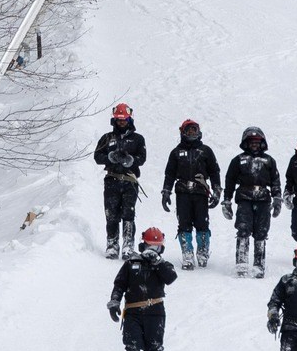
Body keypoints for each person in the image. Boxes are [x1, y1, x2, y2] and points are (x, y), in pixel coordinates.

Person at [108, 227, 176, 351]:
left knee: (155, 345)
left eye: (157, 248)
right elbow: (119, 284)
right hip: (133, 312)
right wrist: (114, 302)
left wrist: (157, 263)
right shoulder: (131, 264)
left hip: (155, 311)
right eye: (150, 247)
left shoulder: (163, 266)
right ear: (142, 246)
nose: (152, 251)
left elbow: (171, 278)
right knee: (132, 343)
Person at [159, 119, 222, 269]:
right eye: (189, 130)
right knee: (184, 224)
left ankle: (202, 253)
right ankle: (187, 255)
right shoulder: (175, 152)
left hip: (201, 193)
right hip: (182, 193)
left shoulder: (206, 151)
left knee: (202, 223)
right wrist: (166, 192)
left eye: (195, 129)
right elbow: (169, 174)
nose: (192, 132)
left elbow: (214, 172)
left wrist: (217, 191)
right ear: (183, 132)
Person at [224, 126, 283, 277]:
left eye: (257, 142)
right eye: (251, 142)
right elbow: (229, 181)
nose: (254, 145)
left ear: (262, 143)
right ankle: (242, 262)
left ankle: (259, 264)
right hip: (244, 198)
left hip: (263, 199)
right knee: (243, 228)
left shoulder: (269, 161)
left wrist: (277, 199)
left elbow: (276, 181)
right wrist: (227, 201)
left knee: (261, 232)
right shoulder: (238, 160)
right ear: (246, 143)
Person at [93, 103, 147, 259]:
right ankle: (112, 244)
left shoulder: (138, 139)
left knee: (128, 214)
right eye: (119, 120)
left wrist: (131, 160)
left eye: (124, 120)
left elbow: (142, 158)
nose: (121, 122)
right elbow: (97, 156)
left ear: (129, 119)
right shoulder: (107, 138)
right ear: (114, 120)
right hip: (112, 180)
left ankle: (128, 245)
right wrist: (110, 157)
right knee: (111, 214)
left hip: (130, 181)